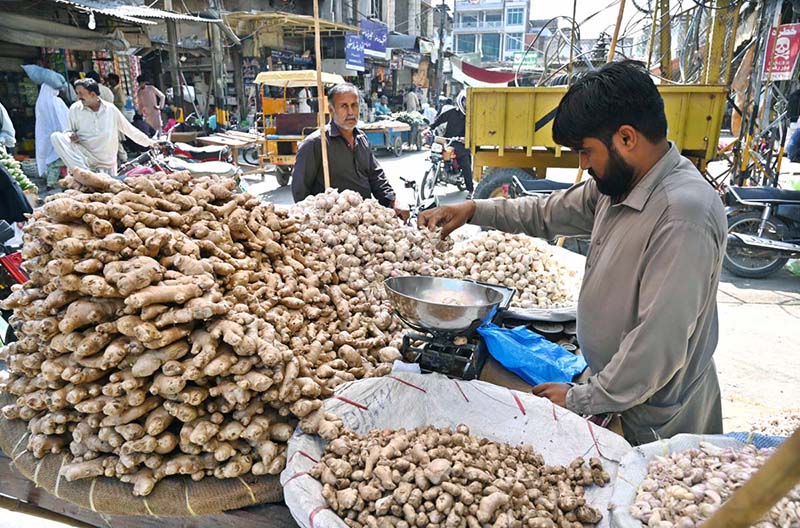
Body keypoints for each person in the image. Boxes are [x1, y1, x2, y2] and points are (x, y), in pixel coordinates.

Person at [418, 61, 727, 446]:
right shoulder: (619, 186)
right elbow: (546, 212)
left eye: (586, 151)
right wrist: (474, 209)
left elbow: (657, 346)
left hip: (655, 415)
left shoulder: (683, 215)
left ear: (627, 138)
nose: (582, 164)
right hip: (614, 389)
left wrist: (583, 399)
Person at [292, 83, 404, 218]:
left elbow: (376, 177)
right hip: (333, 225)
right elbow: (300, 192)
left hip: (365, 221)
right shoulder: (315, 143)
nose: (351, 112)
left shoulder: (362, 139)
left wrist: (393, 201)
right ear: (331, 110)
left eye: (354, 105)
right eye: (344, 106)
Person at [51, 79, 159, 176]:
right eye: (77, 93)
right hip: (85, 157)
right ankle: (84, 173)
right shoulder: (75, 109)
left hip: (106, 161)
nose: (78, 97)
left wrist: (150, 142)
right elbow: (68, 131)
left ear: (93, 94)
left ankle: (88, 174)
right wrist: (70, 135)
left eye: (81, 93)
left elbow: (129, 130)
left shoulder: (110, 109)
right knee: (56, 137)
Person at [426, 90, 473, 198]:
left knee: (465, 163)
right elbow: (439, 120)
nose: (467, 104)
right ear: (461, 101)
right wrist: (429, 128)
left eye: (468, 102)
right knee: (436, 153)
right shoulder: (452, 112)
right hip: (447, 141)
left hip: (461, 144)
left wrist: (466, 138)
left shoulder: (471, 116)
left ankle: (470, 190)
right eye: (465, 101)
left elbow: (474, 131)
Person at [34, 84, 70, 188]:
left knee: (50, 159)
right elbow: (65, 118)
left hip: (45, 136)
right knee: (60, 158)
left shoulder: (40, 102)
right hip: (59, 134)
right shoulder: (57, 101)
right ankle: (62, 181)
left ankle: (51, 181)